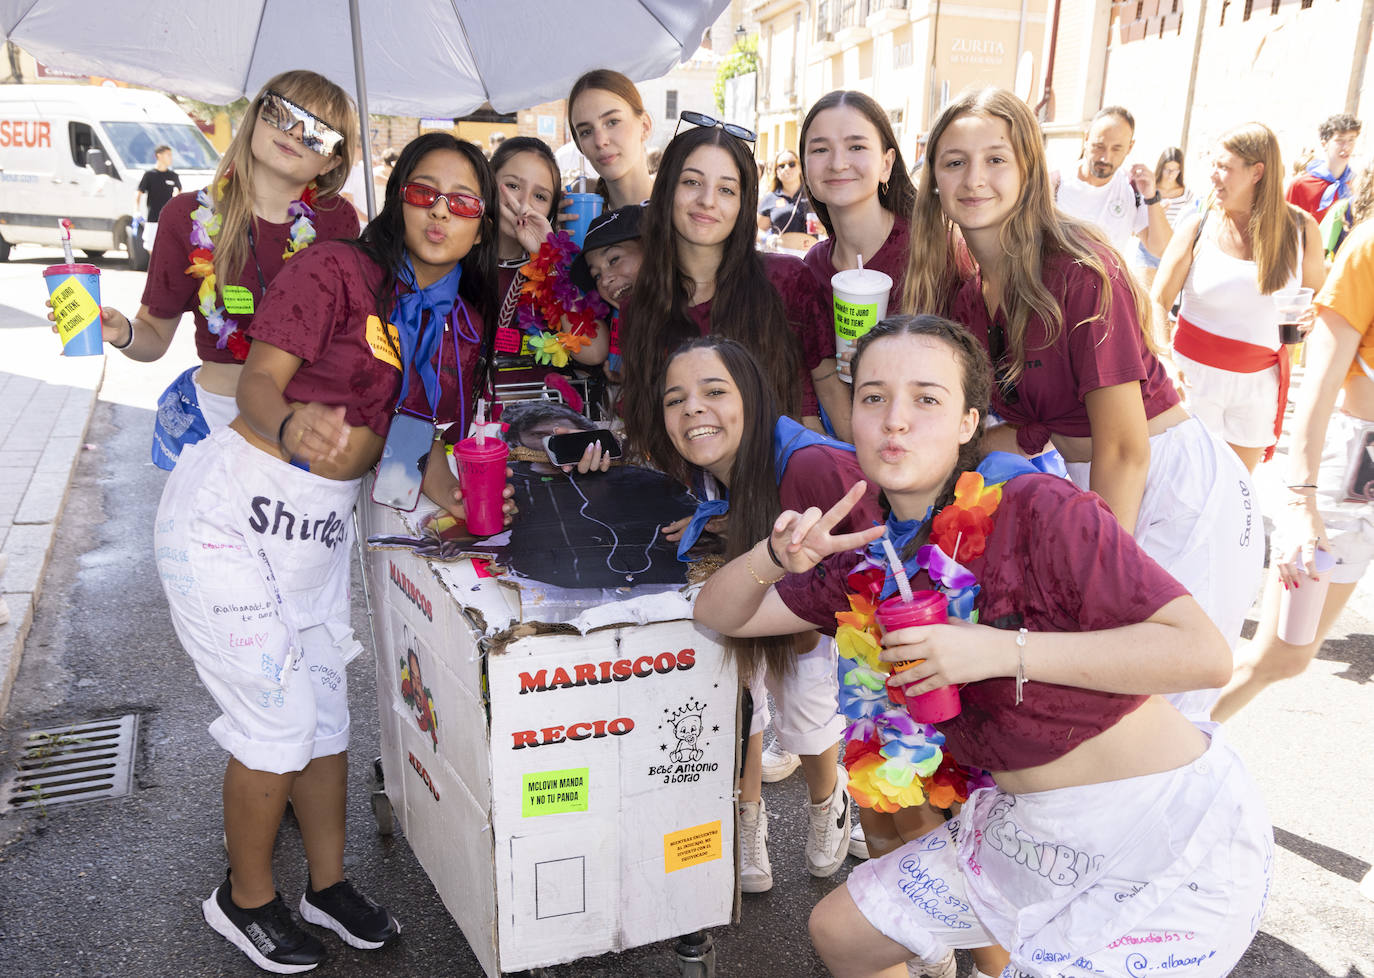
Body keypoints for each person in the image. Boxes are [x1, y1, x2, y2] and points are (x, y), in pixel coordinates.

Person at [693, 314, 1274, 978]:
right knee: (843, 932)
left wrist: (999, 652)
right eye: (873, 397)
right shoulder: (871, 560)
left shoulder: (1039, 509)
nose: (895, 420)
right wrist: (773, 554)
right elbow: (720, 614)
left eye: (927, 398)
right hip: (1023, 832)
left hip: (1161, 837)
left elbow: (1201, 654)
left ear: (970, 421)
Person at [153, 131, 510, 974]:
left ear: (480, 223)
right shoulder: (337, 272)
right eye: (425, 191)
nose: (440, 212)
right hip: (226, 522)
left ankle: (327, 885)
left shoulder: (459, 320)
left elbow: (417, 442)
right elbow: (259, 382)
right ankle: (242, 900)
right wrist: (290, 423)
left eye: (463, 202)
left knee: (325, 716)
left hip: (312, 539)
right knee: (275, 722)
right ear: (400, 197)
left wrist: (465, 498)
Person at [906, 87, 1262, 722]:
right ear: (932, 176)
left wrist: (1098, 578)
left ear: (1029, 169)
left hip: (1174, 490)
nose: (974, 178)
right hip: (1094, 482)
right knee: (1097, 712)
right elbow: (1025, 430)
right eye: (954, 161)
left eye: (996, 158)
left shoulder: (1079, 268)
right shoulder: (964, 283)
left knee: (1155, 713)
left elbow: (1126, 447)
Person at [651, 335, 876, 892]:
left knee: (797, 679)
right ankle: (746, 816)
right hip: (814, 604)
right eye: (675, 399)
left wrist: (777, 600)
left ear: (751, 395)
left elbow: (871, 575)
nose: (692, 409)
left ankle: (831, 802)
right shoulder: (722, 460)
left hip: (882, 641)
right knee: (738, 666)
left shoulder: (812, 465)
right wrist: (722, 519)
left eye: (712, 391)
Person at [90, 71, 361, 470]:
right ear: (256, 117)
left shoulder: (338, 222)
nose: (295, 132)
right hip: (210, 424)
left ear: (332, 161)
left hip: (299, 428)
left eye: (317, 133)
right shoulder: (184, 216)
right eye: (281, 113)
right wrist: (122, 332)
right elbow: (154, 337)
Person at [1214, 161, 1374, 721]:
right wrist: (1302, 503)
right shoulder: (1367, 248)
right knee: (1281, 655)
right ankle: (1153, 759)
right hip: (1352, 478)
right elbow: (1320, 387)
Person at [618, 122, 841, 455]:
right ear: (666, 191)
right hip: (687, 497)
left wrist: (863, 479)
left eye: (726, 189)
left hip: (788, 484)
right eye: (692, 182)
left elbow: (829, 388)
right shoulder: (638, 307)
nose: (707, 200)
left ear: (743, 203)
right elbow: (646, 425)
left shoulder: (788, 280)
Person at [1152, 123, 1325, 472]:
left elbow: (1317, 296)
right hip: (1192, 380)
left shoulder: (1303, 230)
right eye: (1213, 165)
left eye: (1224, 167)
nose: (1213, 176)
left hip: (1258, 387)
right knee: (1183, 489)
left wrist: (1313, 315)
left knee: (1235, 493)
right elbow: (1157, 300)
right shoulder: (1198, 226)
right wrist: (1164, 360)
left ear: (1257, 172)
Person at [799, 90, 918, 402]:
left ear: (886, 163)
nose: (838, 163)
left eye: (856, 146)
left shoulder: (930, 251)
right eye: (821, 149)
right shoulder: (811, 268)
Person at [489, 136, 609, 404]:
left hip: (533, 428)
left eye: (540, 196)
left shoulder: (559, 269)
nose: (524, 203)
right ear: (487, 185)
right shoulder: (456, 258)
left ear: (552, 211)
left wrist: (548, 255)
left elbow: (593, 351)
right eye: (512, 186)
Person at [1053, 105, 1172, 265]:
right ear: (1086, 139)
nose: (1105, 158)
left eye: (1116, 148)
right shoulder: (1054, 184)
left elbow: (1162, 249)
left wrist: (1152, 198)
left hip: (1103, 288)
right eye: (1099, 146)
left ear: (1130, 147)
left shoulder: (1133, 190)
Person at [567, 69, 655, 208]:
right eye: (586, 132)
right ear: (579, 145)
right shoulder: (581, 211)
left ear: (644, 126)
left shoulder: (680, 208)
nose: (600, 142)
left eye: (612, 122)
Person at [1129, 146, 1197, 289]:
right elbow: (1138, 221)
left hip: (1173, 250)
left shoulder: (1186, 194)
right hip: (1147, 248)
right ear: (1161, 167)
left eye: (1176, 170)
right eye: (1168, 169)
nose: (1171, 174)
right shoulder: (1150, 189)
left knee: (1161, 298)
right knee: (1143, 295)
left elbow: (1189, 222)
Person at [1286, 112, 1362, 224]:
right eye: (1340, 140)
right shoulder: (1300, 185)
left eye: (1351, 140)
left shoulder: (1358, 186)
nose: (1347, 147)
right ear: (1324, 144)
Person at [757, 148, 815, 249]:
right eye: (781, 166)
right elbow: (756, 230)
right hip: (781, 257)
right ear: (776, 171)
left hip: (811, 257)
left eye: (792, 164)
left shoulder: (814, 194)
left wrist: (823, 229)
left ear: (800, 167)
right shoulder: (770, 198)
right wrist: (766, 239)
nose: (786, 168)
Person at [135, 144, 181, 253]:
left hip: (169, 219)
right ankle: (154, 268)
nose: (171, 158)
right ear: (159, 156)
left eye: (171, 155)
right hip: (153, 218)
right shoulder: (149, 175)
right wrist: (136, 210)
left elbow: (179, 190)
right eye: (168, 155)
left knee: (169, 246)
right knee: (151, 247)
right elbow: (139, 192)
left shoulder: (173, 175)